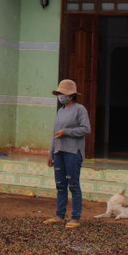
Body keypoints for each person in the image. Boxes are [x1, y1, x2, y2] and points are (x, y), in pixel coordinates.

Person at [44, 79, 91, 229]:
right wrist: (51, 153)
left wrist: (67, 132)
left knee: (73, 185)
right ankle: (60, 215)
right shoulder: (60, 111)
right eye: (59, 94)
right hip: (59, 152)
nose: (61, 96)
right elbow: (54, 133)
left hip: (73, 152)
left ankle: (75, 217)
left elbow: (86, 129)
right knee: (60, 185)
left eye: (63, 94)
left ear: (71, 95)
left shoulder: (80, 109)